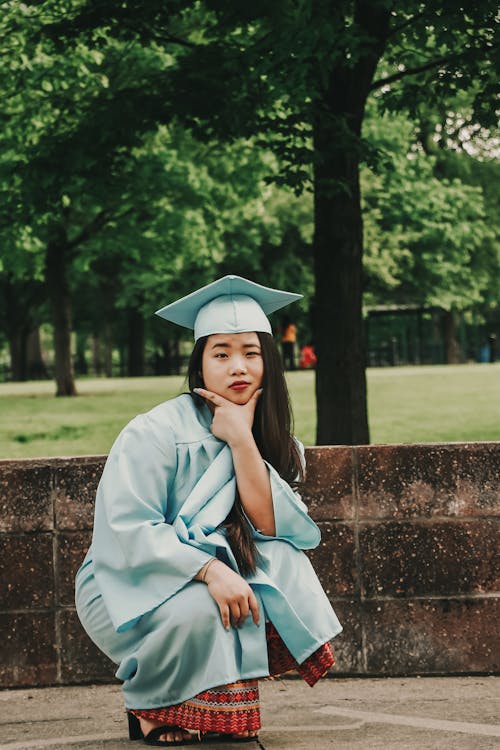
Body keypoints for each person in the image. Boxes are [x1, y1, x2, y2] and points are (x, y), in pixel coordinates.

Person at [75, 275, 342, 746]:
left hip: (212, 576)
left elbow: (271, 526)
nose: (237, 366)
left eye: (250, 353)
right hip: (127, 582)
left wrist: (241, 439)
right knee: (206, 601)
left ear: (269, 362)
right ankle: (151, 709)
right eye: (221, 353)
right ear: (200, 363)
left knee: (282, 564)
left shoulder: (277, 442)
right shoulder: (153, 432)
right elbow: (128, 529)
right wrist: (209, 570)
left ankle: (212, 707)